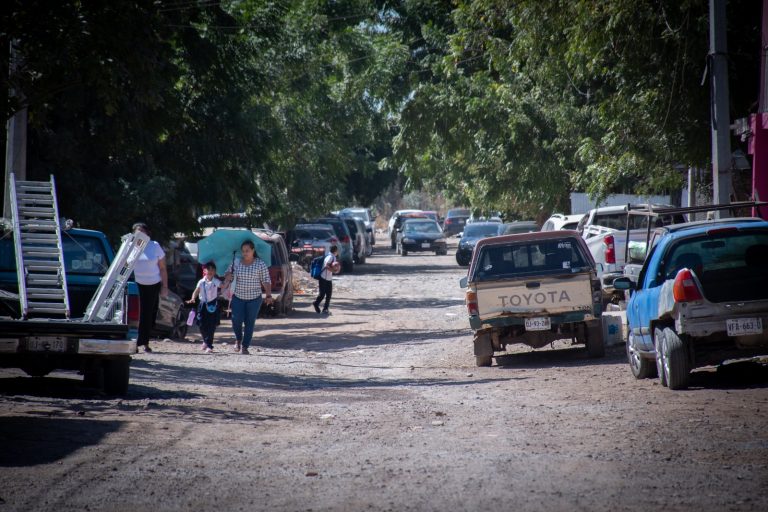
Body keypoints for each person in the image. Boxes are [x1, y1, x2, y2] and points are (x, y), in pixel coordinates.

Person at [224, 240, 273, 355]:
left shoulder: (260, 264)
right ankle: (238, 339)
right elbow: (226, 273)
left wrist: (268, 295)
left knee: (250, 323)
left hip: (254, 299)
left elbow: (266, 280)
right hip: (238, 297)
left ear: (253, 251)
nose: (245, 253)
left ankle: (245, 346)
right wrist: (228, 275)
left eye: (247, 251)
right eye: (243, 251)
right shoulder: (236, 263)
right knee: (236, 320)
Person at [132, 222, 168, 353]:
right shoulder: (131, 246)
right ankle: (135, 342)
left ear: (147, 233)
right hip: (138, 284)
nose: (139, 234)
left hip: (153, 284)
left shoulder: (155, 246)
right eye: (137, 232)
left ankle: (145, 342)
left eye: (142, 231)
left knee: (149, 315)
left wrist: (165, 286)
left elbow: (163, 268)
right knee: (138, 314)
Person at [187, 262, 221, 354]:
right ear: (204, 270)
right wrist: (193, 298)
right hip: (202, 305)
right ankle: (205, 340)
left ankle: (209, 345)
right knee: (201, 324)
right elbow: (196, 291)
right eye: (208, 269)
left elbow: (222, 286)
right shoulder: (201, 281)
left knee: (211, 326)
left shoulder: (216, 281)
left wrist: (228, 280)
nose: (210, 271)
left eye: (212, 269)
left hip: (213, 305)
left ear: (214, 271)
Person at [313, 245, 339, 315]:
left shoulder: (332, 256)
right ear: (335, 251)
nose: (338, 252)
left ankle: (325, 309)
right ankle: (316, 303)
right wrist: (333, 271)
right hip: (323, 278)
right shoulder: (330, 257)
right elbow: (327, 266)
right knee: (322, 294)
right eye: (337, 250)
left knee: (329, 294)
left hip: (328, 278)